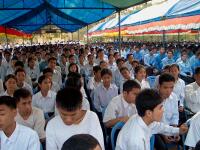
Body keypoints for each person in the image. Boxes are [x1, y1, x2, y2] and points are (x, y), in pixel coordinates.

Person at [116, 89, 188, 150]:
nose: (163, 110)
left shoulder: (142, 118)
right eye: (160, 107)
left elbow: (160, 127)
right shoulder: (136, 140)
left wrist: (178, 130)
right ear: (149, 113)